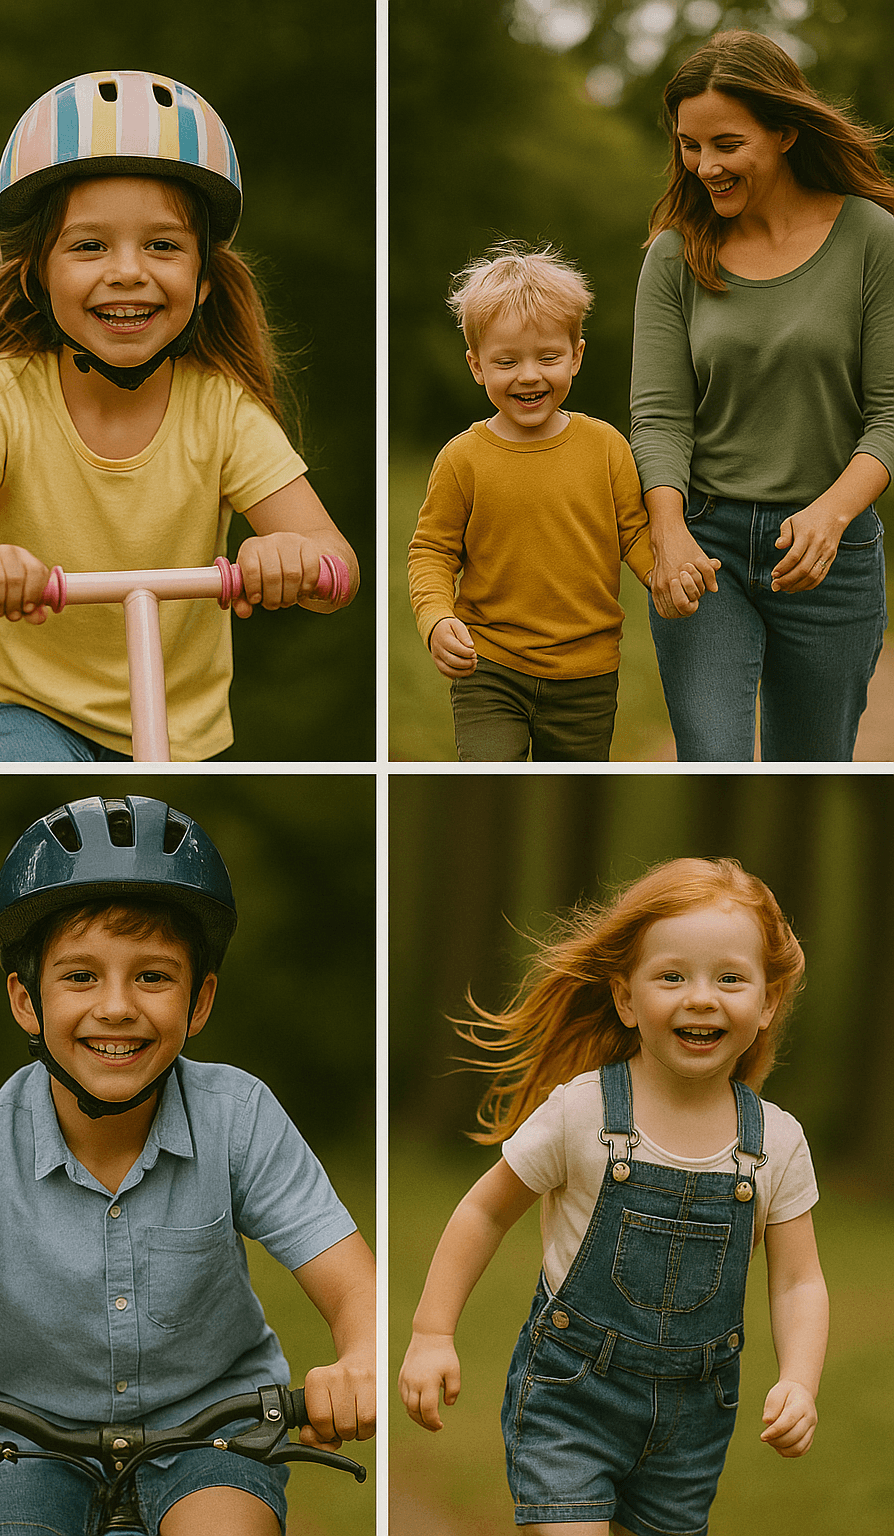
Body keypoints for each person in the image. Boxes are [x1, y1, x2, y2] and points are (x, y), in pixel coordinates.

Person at [0, 794, 375, 1536]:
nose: (116, 1007)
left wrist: (358, 1359)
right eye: (79, 977)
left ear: (200, 1001)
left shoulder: (238, 1117)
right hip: (24, 1448)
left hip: (214, 1432)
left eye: (153, 977)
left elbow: (351, 1282)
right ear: (25, 1000)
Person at [0, 71, 358, 763]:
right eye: (89, 245)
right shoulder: (1, 397)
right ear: (37, 275)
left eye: (163, 245)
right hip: (17, 703)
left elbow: (335, 560)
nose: (129, 271)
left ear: (201, 284)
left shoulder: (222, 411)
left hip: (176, 728)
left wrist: (295, 559)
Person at [399, 857, 828, 1536]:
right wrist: (430, 1333)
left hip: (694, 1423)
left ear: (768, 1000)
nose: (701, 997)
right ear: (627, 998)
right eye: (671, 976)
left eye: (731, 978)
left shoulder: (776, 1142)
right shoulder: (583, 1113)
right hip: (573, 1399)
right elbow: (485, 1209)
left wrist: (799, 1379)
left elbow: (799, 1281)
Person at [631, 29, 894, 761]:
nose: (705, 165)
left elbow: (891, 413)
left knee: (808, 774)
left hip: (830, 556)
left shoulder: (874, 240)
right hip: (704, 546)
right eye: (690, 145)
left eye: (726, 143)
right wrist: (668, 530)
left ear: (783, 130)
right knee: (711, 760)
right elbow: (658, 416)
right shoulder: (675, 253)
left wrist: (833, 513)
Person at [407, 243, 672, 762]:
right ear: (477, 365)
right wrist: (436, 618)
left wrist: (665, 574)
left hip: (588, 671)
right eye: (506, 361)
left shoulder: (607, 447)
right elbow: (432, 552)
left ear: (576, 355)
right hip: (490, 666)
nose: (528, 375)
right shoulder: (463, 458)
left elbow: (635, 533)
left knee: (567, 796)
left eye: (548, 357)